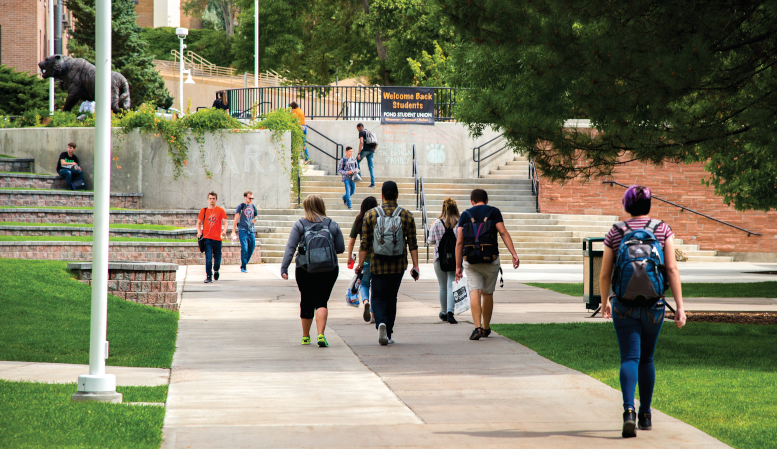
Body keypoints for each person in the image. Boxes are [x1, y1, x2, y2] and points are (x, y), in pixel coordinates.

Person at [599, 185, 686, 439]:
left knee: (629, 358)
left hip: (623, 304)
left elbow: (604, 273)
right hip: (655, 306)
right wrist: (679, 306)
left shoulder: (616, 232)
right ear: (649, 205)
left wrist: (605, 301)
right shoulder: (662, 229)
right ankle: (646, 413)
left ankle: (628, 412)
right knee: (647, 359)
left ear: (626, 206)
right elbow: (671, 270)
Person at [355, 180, 419, 346]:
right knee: (392, 298)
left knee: (377, 295)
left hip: (377, 264)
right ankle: (388, 332)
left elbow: (365, 245)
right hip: (398, 265)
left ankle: (381, 323)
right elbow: (412, 243)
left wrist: (361, 265)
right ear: (397, 195)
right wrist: (416, 265)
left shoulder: (370, 215)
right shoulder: (407, 215)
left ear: (382, 195)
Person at [455, 189, 520, 340]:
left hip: (470, 260)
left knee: (475, 291)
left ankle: (477, 327)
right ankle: (485, 328)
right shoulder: (494, 212)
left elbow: (459, 241)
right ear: (487, 200)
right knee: (488, 293)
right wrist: (514, 254)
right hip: (491, 259)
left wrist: (458, 266)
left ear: (472, 201)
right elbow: (503, 232)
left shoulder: (465, 215)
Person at [281, 194, 345, 347]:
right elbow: (341, 248)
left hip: (304, 269)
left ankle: (305, 336)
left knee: (306, 300)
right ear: (322, 206)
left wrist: (284, 267)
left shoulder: (300, 225)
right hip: (329, 269)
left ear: (306, 207)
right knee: (321, 301)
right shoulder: (332, 225)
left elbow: (291, 248)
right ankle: (321, 335)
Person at [346, 196, 379, 323]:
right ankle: (373, 314)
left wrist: (349, 257)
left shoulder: (359, 219)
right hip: (377, 258)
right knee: (376, 286)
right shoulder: (378, 218)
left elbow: (351, 241)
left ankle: (365, 301)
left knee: (364, 284)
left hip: (364, 259)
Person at [428, 197, 460, 324]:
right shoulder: (459, 223)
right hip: (455, 259)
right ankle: (451, 311)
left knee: (442, 286)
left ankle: (444, 312)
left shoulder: (436, 223)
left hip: (439, 258)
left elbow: (431, 241)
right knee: (452, 284)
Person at [197, 192, 227, 283]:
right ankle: (208, 276)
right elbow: (198, 223)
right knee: (208, 258)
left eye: (213, 198)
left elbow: (225, 222)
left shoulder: (220, 210)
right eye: (210, 198)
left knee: (217, 259)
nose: (212, 200)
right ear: (207, 199)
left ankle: (216, 270)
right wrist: (199, 232)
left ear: (216, 200)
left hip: (217, 238)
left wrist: (224, 231)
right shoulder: (204, 210)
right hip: (207, 238)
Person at [233, 191, 258, 273]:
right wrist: (233, 231)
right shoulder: (241, 206)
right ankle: (244, 266)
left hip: (251, 230)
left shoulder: (253, 206)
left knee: (252, 247)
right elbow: (236, 219)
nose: (251, 200)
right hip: (242, 229)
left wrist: (255, 220)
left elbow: (256, 216)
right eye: (249, 198)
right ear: (245, 197)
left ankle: (244, 263)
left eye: (252, 198)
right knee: (244, 248)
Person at [338, 146, 359, 210]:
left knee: (353, 191)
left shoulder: (354, 159)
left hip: (353, 177)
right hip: (346, 177)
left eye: (352, 151)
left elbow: (357, 167)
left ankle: (344, 197)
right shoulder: (343, 160)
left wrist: (356, 170)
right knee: (348, 190)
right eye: (350, 151)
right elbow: (339, 170)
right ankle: (349, 205)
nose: (351, 153)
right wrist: (347, 172)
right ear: (346, 152)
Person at [356, 123, 377, 188]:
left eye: (358, 128)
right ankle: (373, 183)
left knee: (356, 162)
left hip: (365, 150)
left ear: (361, 126)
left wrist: (359, 153)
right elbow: (376, 143)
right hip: (372, 151)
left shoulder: (361, 132)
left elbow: (361, 142)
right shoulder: (369, 132)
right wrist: (373, 150)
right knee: (371, 167)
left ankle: (358, 177)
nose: (358, 130)